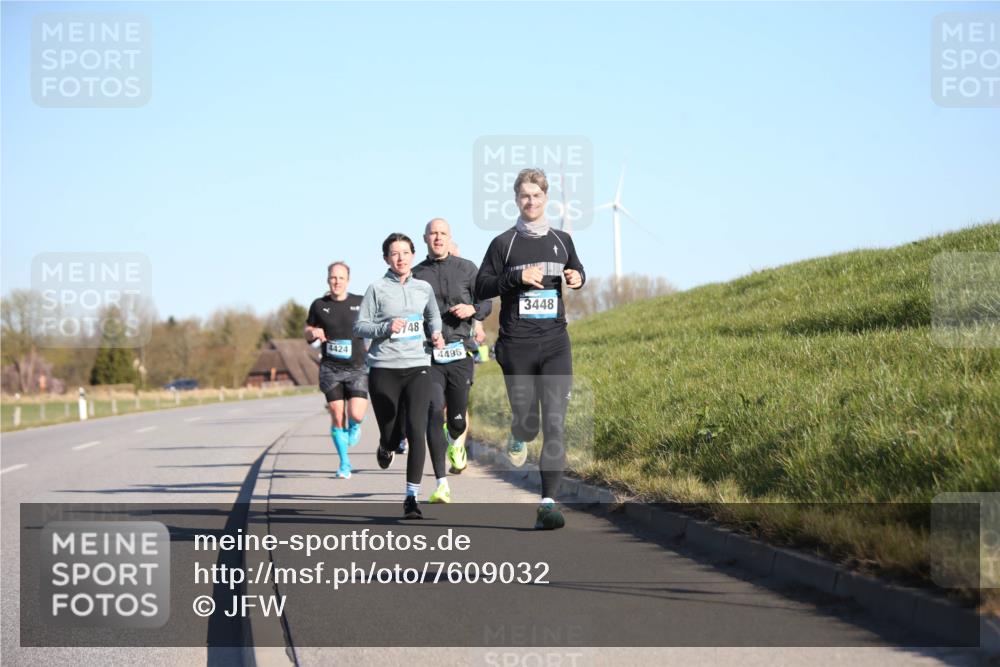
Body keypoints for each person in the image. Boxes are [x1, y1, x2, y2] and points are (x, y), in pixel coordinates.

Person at [475, 168, 585, 530]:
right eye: (525, 195)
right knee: (529, 422)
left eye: (537, 195)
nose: (531, 201)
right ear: (516, 199)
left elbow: (576, 270)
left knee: (554, 423)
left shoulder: (562, 240)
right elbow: (481, 286)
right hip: (517, 345)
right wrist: (515, 277)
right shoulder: (503, 244)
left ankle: (548, 503)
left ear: (546, 198)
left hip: (555, 343)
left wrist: (577, 278)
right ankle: (519, 429)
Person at [354, 233, 444, 519]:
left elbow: (433, 316)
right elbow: (360, 326)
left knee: (417, 430)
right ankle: (387, 445)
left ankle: (411, 498)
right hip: (384, 368)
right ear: (386, 259)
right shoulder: (376, 289)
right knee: (393, 434)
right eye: (394, 253)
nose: (401, 258)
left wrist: (436, 332)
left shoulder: (423, 288)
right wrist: (386, 327)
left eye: (405, 252)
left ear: (413, 256)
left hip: (418, 365)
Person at [412, 218, 492, 490]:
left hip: (460, 353)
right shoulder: (415, 274)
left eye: (442, 233)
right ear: (425, 238)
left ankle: (455, 438)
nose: (438, 237)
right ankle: (440, 480)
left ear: (449, 237)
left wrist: (473, 310)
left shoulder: (467, 268)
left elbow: (486, 302)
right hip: (429, 355)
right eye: (433, 233)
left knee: (457, 420)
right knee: (434, 409)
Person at [304, 261, 368, 479]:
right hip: (331, 368)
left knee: (356, 414)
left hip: (357, 367)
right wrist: (312, 333)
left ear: (348, 280)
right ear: (327, 280)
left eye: (341, 278)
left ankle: (355, 425)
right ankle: (344, 463)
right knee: (336, 414)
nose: (337, 281)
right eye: (333, 277)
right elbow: (308, 330)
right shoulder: (319, 305)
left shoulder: (360, 302)